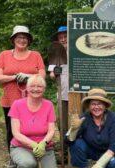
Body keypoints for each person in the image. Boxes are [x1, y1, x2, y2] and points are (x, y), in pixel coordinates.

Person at [0, 25, 46, 168]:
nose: (22, 40)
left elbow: (42, 75)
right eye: (19, 37)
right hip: (10, 99)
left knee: (33, 127)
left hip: (32, 99)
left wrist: (29, 76)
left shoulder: (35, 55)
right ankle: (13, 157)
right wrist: (14, 77)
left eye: (24, 37)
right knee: (12, 129)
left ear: (28, 40)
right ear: (13, 39)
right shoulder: (4, 55)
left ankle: (34, 153)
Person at [66, 88, 115, 168]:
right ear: (89, 106)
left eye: (99, 104)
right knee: (76, 143)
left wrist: (100, 164)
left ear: (105, 106)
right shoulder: (84, 118)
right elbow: (68, 142)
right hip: (91, 150)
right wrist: (73, 130)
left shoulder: (114, 118)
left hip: (109, 151)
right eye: (93, 104)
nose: (96, 107)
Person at [8, 75, 57, 168]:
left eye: (39, 86)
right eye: (32, 86)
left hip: (45, 148)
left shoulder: (49, 105)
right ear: (27, 88)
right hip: (22, 147)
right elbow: (16, 133)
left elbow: (51, 131)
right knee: (27, 163)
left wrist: (43, 144)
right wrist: (34, 144)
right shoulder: (17, 105)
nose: (36, 89)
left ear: (44, 89)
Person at [49, 26, 69, 157]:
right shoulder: (56, 53)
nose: (63, 39)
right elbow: (51, 75)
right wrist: (55, 72)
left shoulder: (78, 51)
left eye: (65, 36)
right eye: (60, 37)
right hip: (62, 94)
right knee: (63, 124)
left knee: (79, 122)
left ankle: (77, 151)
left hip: (78, 93)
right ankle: (64, 150)